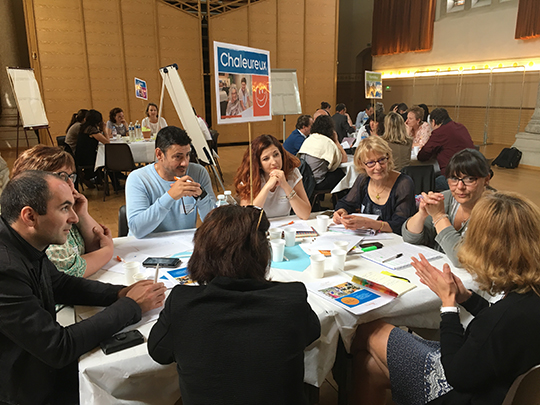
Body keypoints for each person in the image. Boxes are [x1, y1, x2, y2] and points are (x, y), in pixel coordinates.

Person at [350, 191, 540, 405]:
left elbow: (457, 375)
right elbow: (504, 326)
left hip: (467, 388)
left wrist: (448, 305)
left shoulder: (500, 319)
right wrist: (466, 298)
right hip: (501, 382)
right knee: (368, 366)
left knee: (369, 329)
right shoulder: (527, 297)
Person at [0, 171, 166, 404]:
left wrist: (119, 293)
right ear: (29, 216)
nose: (74, 218)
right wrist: (131, 306)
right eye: (64, 208)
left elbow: (60, 283)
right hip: (23, 388)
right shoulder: (5, 268)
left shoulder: (20, 238)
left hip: (37, 367)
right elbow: (58, 347)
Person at [148, 205, 320, 405]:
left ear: (201, 253)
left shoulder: (181, 303)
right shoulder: (291, 299)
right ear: (263, 255)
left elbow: (158, 352)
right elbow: (311, 333)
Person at [11, 145, 114, 278]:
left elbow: (97, 246)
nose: (71, 184)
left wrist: (82, 214)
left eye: (71, 177)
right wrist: (107, 251)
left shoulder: (66, 210)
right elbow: (71, 272)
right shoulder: (40, 218)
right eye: (62, 177)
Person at [402, 149, 491, 267]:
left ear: (486, 179)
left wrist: (439, 217)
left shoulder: (493, 210)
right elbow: (409, 237)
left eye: (469, 179)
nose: (460, 186)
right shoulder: (447, 197)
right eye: (454, 178)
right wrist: (422, 214)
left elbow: (462, 259)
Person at [126, 126, 216, 238]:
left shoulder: (198, 173)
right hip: (146, 247)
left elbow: (215, 223)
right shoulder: (138, 178)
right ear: (159, 154)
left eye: (187, 155)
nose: (185, 163)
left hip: (182, 247)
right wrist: (170, 196)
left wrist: (201, 196)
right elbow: (137, 230)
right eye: (178, 157)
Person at [333, 136, 415, 235]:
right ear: (361, 164)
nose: (378, 167)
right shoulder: (363, 179)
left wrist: (367, 223)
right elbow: (347, 203)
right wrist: (342, 212)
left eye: (382, 160)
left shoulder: (403, 183)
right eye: (371, 162)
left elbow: (400, 225)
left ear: (388, 158)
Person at [234, 134, 311, 219]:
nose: (274, 162)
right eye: (266, 159)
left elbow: (305, 214)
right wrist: (267, 187)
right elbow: (247, 218)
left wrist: (286, 186)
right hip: (259, 228)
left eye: (276, 155)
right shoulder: (249, 177)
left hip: (284, 226)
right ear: (258, 164)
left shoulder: (292, 173)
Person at [418, 108, 475, 191]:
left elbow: (423, 155)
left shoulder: (440, 132)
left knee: (427, 184)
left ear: (433, 122)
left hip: (454, 177)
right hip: (472, 174)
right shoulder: (461, 127)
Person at [297, 115, 347, 193]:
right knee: (342, 174)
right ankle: (338, 201)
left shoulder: (309, 139)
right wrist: (336, 141)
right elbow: (344, 159)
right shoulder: (327, 142)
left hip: (305, 180)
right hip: (316, 183)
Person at [75, 109, 110, 180]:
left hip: (80, 156)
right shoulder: (91, 130)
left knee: (106, 158)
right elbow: (107, 142)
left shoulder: (84, 127)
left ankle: (98, 178)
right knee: (108, 160)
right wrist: (104, 130)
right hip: (86, 158)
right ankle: (116, 181)